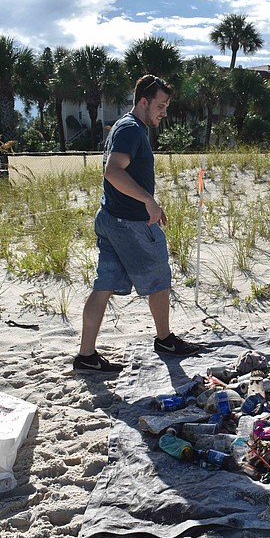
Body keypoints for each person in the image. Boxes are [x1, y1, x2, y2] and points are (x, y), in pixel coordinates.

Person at [73, 75, 202, 373]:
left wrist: (149, 202)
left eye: (166, 106)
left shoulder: (126, 127)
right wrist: (148, 201)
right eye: (161, 105)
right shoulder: (131, 129)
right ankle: (165, 340)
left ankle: (86, 356)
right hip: (130, 224)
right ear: (144, 101)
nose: (164, 112)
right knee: (159, 278)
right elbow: (112, 172)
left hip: (111, 218)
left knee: (104, 285)